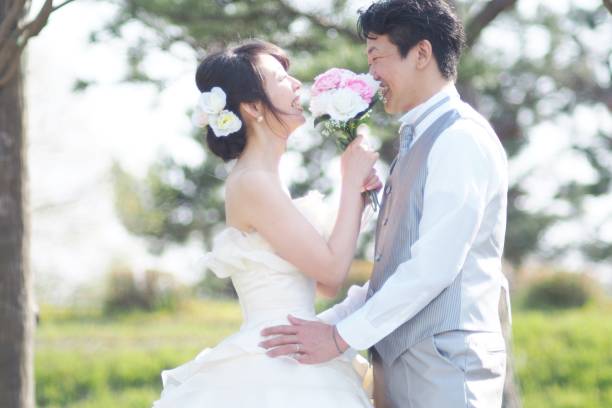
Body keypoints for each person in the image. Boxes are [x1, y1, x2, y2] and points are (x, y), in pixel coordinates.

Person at [261, 1, 511, 407]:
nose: (371, 74)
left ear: (422, 53)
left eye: (377, 57)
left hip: (446, 372)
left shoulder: (460, 139)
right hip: (400, 370)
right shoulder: (416, 141)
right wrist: (320, 326)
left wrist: (340, 338)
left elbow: (433, 268)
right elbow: (391, 271)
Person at [151, 40, 381, 407]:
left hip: (294, 347)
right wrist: (350, 181)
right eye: (280, 77)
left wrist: (355, 193)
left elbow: (319, 282)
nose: (295, 85)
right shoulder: (252, 182)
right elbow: (334, 273)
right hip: (276, 364)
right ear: (254, 106)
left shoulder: (266, 180)